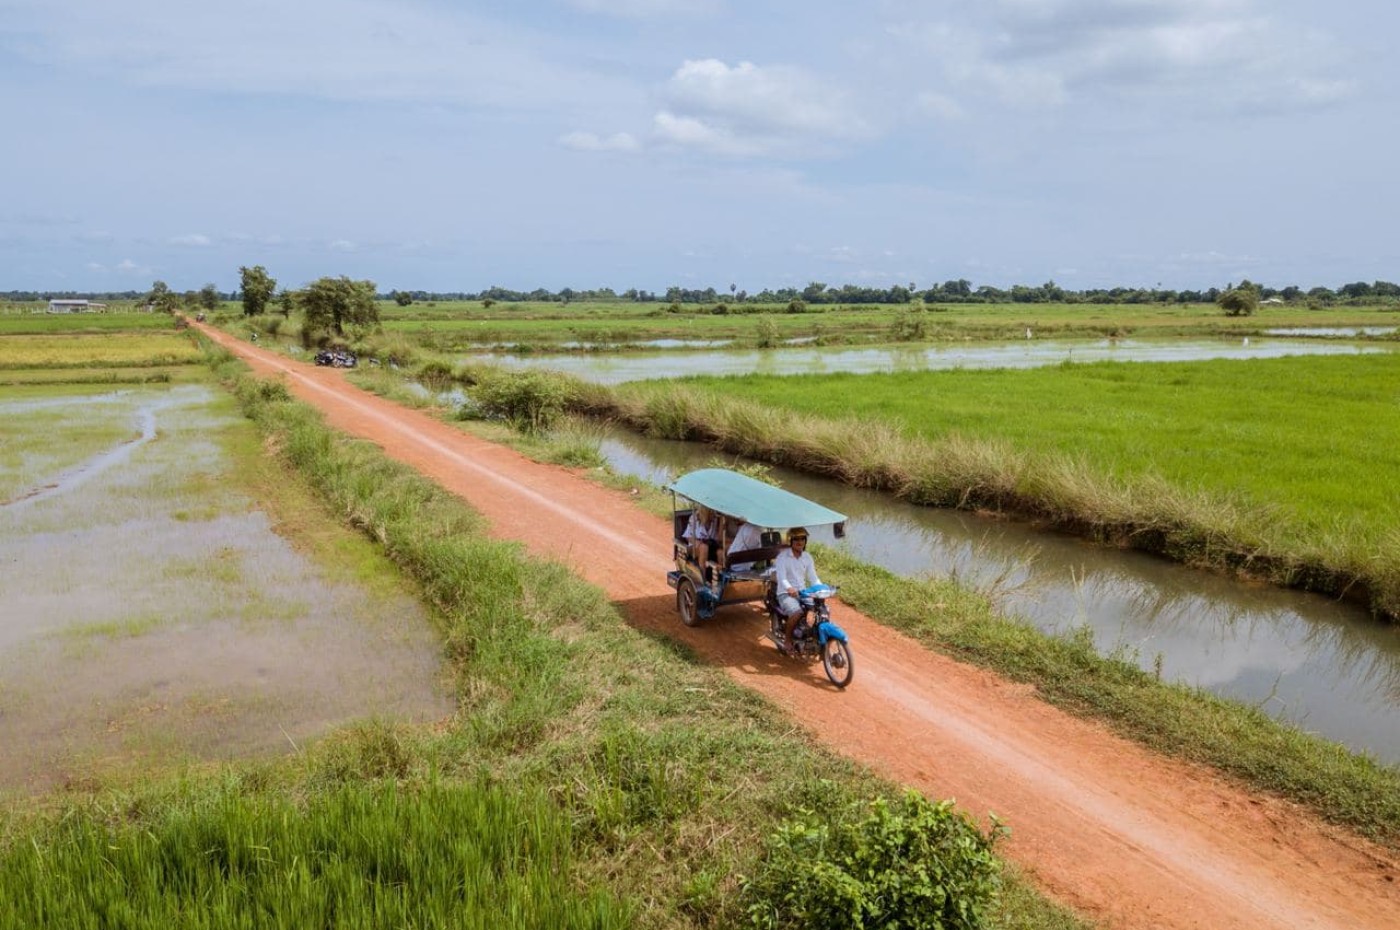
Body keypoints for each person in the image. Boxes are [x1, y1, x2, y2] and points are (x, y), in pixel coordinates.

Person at [773, 527, 821, 655]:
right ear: (791, 541)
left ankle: (813, 637)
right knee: (797, 612)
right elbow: (781, 577)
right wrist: (789, 588)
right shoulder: (782, 557)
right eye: (796, 539)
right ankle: (788, 640)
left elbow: (813, 577)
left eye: (802, 539)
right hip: (785, 593)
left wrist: (822, 588)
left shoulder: (807, 557)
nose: (799, 542)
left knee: (821, 610)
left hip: (803, 592)